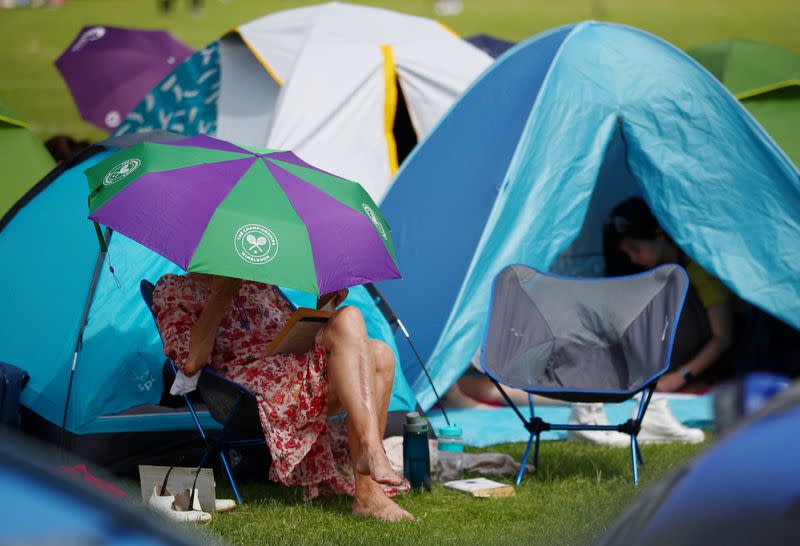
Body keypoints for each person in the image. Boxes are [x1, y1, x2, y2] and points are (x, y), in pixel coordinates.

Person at [152, 273, 413, 521]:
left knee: (381, 353)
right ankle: (372, 452)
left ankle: (368, 492)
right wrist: (221, 295)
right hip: (250, 390)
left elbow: (298, 335)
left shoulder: (257, 284)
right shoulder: (172, 289)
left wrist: (325, 308)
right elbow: (190, 362)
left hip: (296, 370)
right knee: (352, 317)